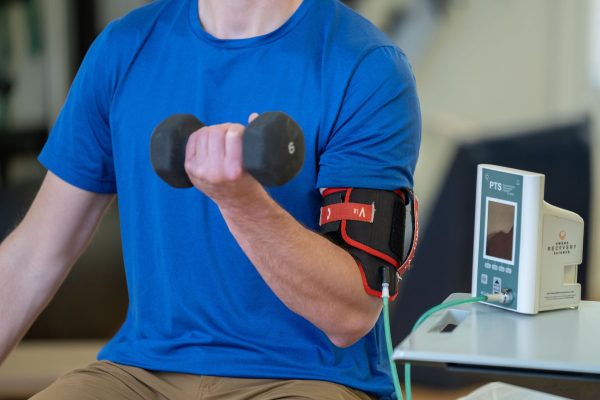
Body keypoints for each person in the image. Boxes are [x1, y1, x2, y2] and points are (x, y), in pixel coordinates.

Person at [0, 0, 420, 398]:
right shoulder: (123, 49)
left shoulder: (367, 67)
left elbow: (350, 316)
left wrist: (241, 202)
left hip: (306, 379)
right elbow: (31, 259)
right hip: (141, 374)